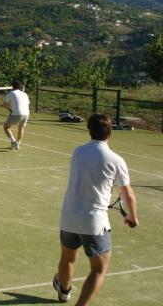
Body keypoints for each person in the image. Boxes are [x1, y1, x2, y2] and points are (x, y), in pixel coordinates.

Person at [53, 113, 138, 305]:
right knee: (98, 270)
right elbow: (128, 194)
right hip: (94, 222)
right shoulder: (116, 160)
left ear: (89, 130)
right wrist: (133, 217)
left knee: (67, 259)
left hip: (68, 217)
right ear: (110, 131)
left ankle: (64, 292)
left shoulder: (78, 152)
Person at [2, 80, 30, 150]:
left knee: (6, 127)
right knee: (21, 128)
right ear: (20, 87)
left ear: (12, 86)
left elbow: (5, 104)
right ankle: (17, 144)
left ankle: (13, 142)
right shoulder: (25, 94)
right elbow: (26, 104)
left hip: (17, 114)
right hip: (26, 113)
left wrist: (4, 105)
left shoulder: (11, 93)